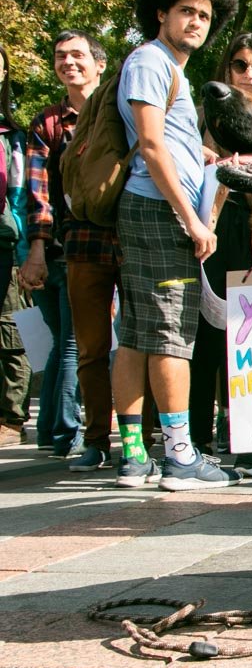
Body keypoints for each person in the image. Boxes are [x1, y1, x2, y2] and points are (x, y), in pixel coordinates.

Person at [111, 0, 241, 490]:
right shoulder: (150, 61)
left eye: (205, 15)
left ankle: (135, 455)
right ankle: (181, 457)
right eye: (186, 10)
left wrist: (201, 154)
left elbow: (165, 140)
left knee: (139, 335)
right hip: (162, 214)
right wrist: (191, 217)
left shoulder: (166, 69)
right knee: (171, 334)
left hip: (152, 210)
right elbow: (149, 144)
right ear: (161, 14)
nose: (196, 22)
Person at [22, 31, 116, 467]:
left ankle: (144, 438)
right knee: (84, 345)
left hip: (130, 238)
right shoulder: (47, 124)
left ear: (99, 64)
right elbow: (38, 195)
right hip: (76, 245)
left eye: (78, 55)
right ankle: (87, 437)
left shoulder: (122, 110)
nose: (68, 63)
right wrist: (38, 251)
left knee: (136, 341)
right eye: (61, 56)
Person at [190, 32, 252, 477]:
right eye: (240, 65)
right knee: (207, 335)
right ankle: (197, 441)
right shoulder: (207, 117)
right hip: (216, 228)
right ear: (227, 70)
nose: (247, 74)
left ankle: (250, 443)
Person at [0, 43, 30, 447]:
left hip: (4, 242)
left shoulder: (11, 136)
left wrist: (27, 252)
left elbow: (21, 195)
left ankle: (10, 416)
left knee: (10, 331)